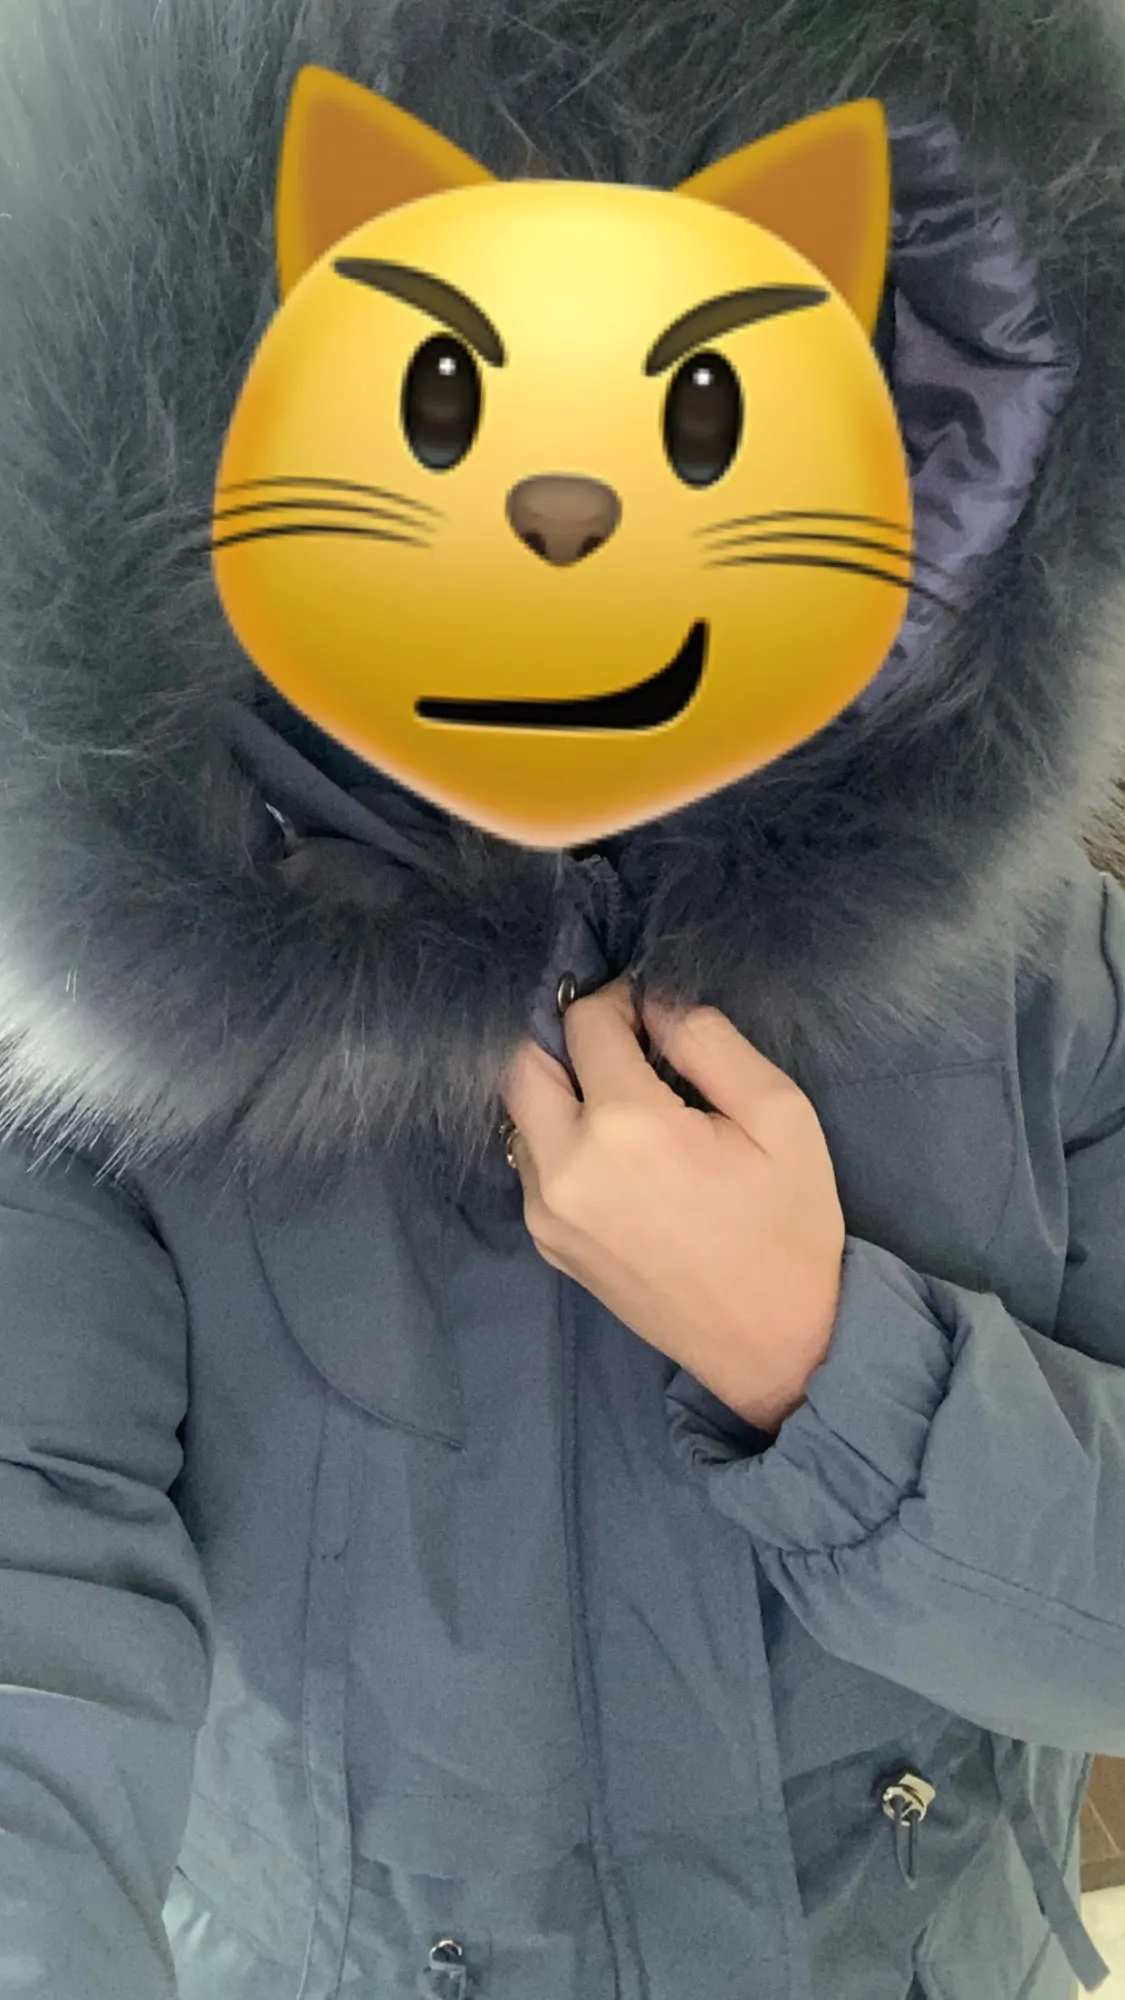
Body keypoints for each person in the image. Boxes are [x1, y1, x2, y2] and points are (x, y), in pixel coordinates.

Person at [0, 2, 1123, 1998]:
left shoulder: (1033, 965)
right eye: (440, 391)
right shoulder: (89, 1044)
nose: (565, 511)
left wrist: (828, 1370)